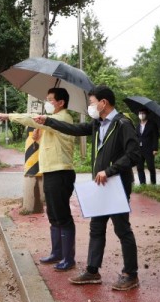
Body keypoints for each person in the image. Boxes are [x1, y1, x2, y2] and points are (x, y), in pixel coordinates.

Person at [34, 85, 142, 291]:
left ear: (103, 103)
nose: (90, 106)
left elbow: (134, 154)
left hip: (117, 184)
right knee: (96, 227)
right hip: (100, 185)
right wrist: (48, 121)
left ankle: (131, 274)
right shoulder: (97, 124)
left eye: (92, 102)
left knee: (122, 229)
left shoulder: (123, 124)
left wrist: (110, 170)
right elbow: (74, 129)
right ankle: (92, 271)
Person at [0, 87, 77, 271]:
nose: (47, 103)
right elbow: (48, 144)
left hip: (61, 172)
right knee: (53, 215)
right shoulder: (51, 122)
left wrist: (8, 116)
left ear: (61, 102)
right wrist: (39, 135)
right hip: (50, 171)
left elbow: (30, 118)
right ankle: (57, 253)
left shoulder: (61, 119)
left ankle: (68, 258)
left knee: (63, 217)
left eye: (50, 100)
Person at [136, 109, 159, 185]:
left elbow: (155, 137)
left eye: (143, 113)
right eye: (140, 113)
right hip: (139, 149)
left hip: (149, 149)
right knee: (139, 167)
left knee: (151, 167)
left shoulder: (152, 124)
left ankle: (153, 183)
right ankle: (142, 184)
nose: (141, 115)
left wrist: (155, 148)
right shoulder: (138, 125)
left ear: (146, 114)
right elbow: (136, 137)